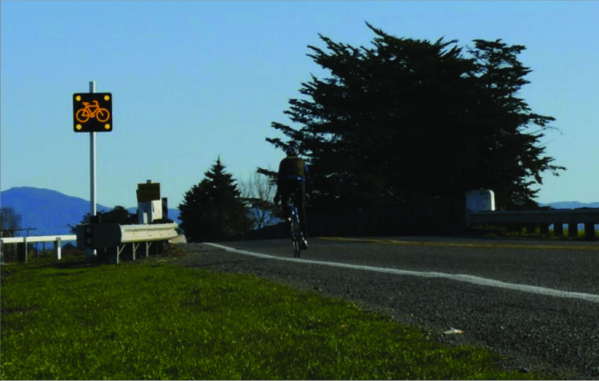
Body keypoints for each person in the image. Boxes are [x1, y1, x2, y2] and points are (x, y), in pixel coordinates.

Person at [273, 147, 309, 250]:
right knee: (301, 210)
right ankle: (305, 238)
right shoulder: (302, 162)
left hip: (286, 183)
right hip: (300, 183)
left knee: (285, 202)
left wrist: (277, 195)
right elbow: (307, 177)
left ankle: (288, 217)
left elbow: (279, 179)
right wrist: (306, 192)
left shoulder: (283, 162)